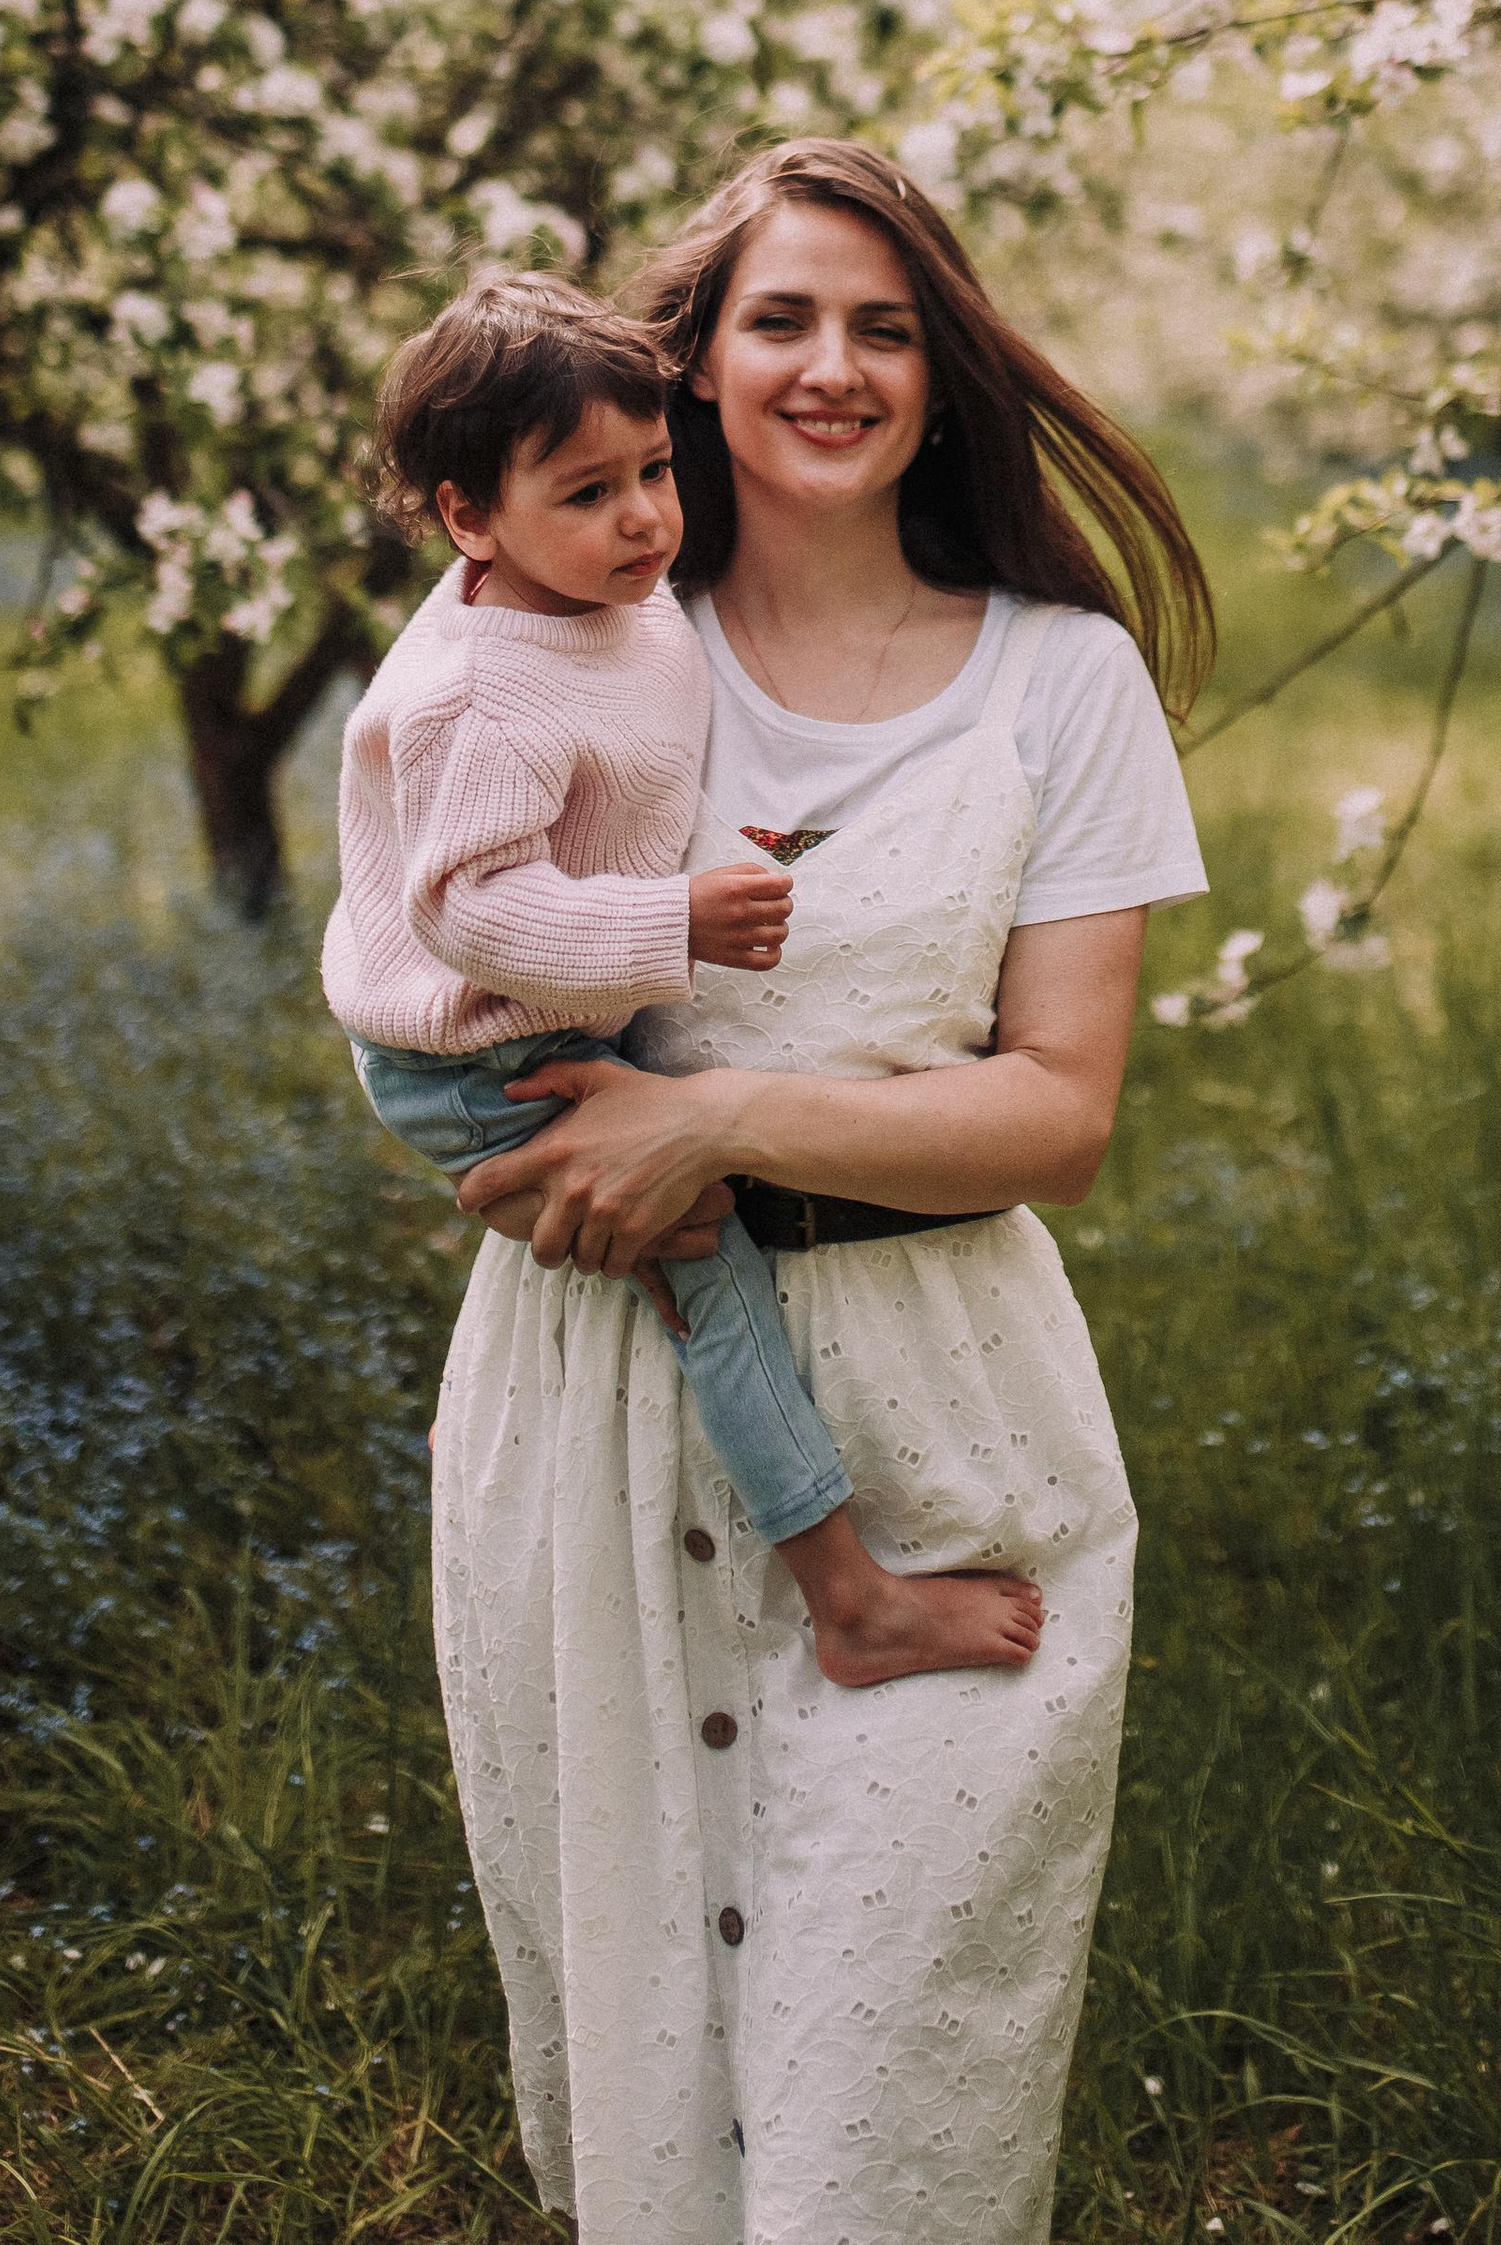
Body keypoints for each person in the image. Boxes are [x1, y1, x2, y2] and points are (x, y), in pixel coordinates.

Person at [426, 143, 1213, 2245]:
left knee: (884, 2123)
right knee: (642, 2106)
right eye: (780, 319)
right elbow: (429, 974)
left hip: (944, 1427)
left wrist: (712, 1126)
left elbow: (1054, 1113)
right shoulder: (558, 649)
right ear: (692, 365)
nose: (832, 367)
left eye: (882, 326)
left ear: (941, 377)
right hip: (594, 1408)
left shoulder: (1061, 682)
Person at [325, 271, 1046, 1683]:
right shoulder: (489, 686)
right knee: (702, 1250)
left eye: (654, 470)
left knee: (650, 1220)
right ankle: (849, 1596)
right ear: (473, 520)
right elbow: (472, 908)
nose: (645, 517)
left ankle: (489, 1414)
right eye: (588, 494)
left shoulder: (595, 589)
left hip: (528, 1014)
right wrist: (673, 924)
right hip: (467, 1052)